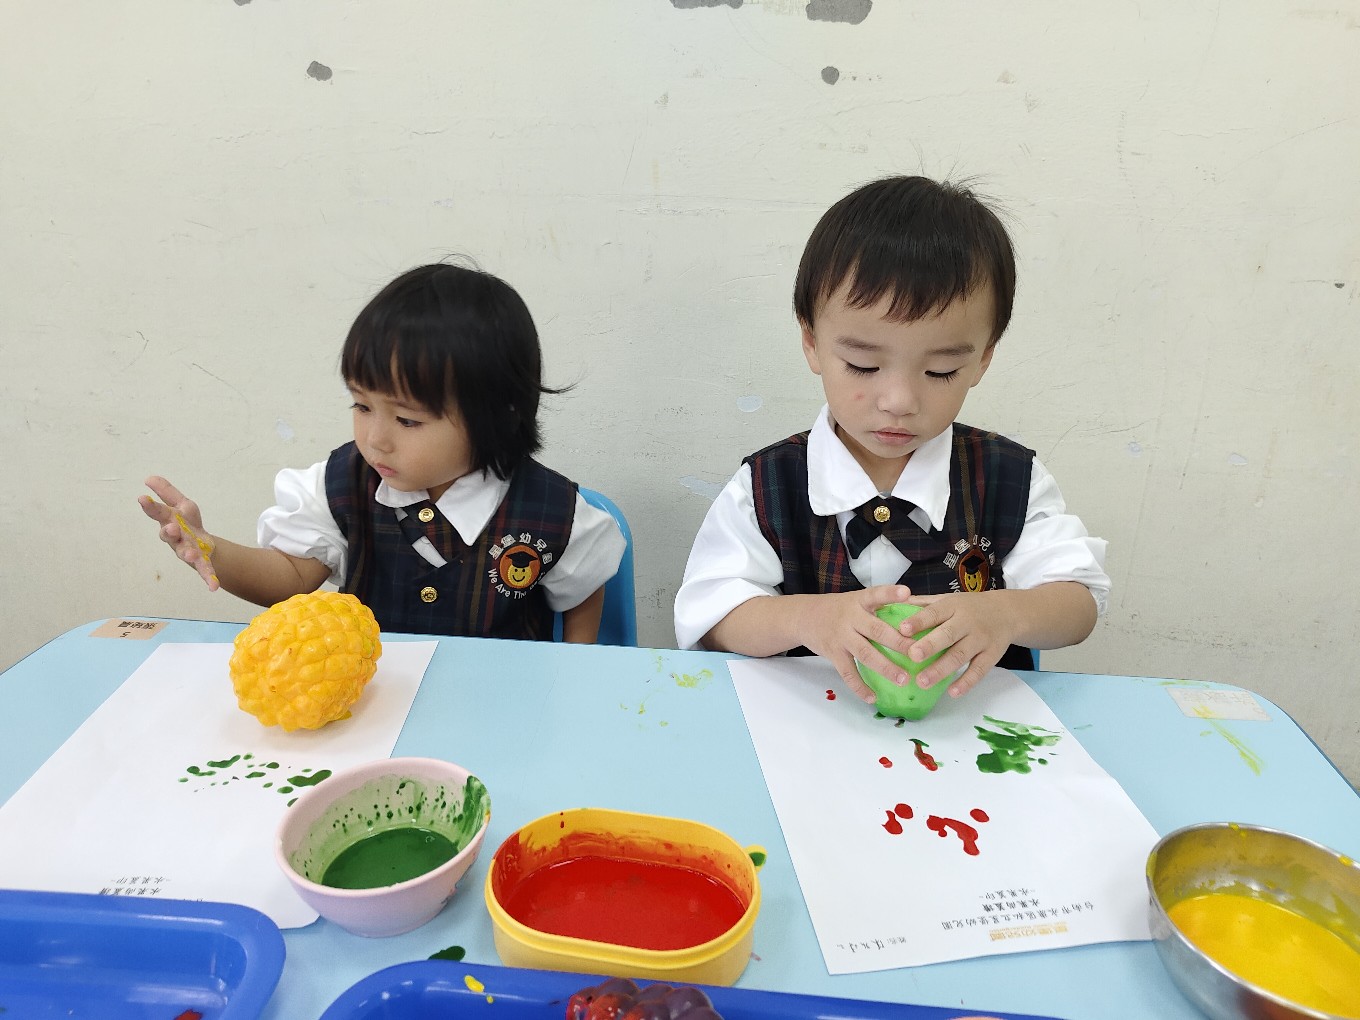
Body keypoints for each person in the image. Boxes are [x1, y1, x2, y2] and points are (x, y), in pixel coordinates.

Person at [674, 175, 1109, 701]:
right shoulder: (770, 486)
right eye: (863, 364)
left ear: (983, 359)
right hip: (808, 727)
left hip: (968, 730)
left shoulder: (1008, 478)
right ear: (812, 343)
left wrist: (1006, 614)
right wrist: (806, 618)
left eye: (941, 371)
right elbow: (715, 616)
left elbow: (1078, 603)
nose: (899, 400)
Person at [140, 262, 626, 643]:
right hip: (375, 705)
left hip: (500, 709)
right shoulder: (341, 487)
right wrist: (210, 548)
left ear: (498, 416)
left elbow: (581, 592)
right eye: (362, 405)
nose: (375, 439)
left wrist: (571, 665)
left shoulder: (554, 512)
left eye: (407, 420)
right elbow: (289, 578)